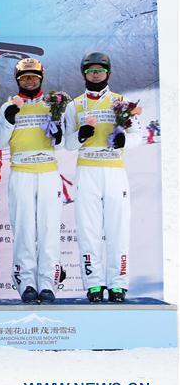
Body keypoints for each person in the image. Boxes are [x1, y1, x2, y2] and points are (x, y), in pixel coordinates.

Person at [64, 52, 139, 303]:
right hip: (87, 171)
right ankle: (94, 284)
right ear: (84, 74)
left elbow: (137, 135)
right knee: (89, 230)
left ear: (108, 73)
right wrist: (81, 136)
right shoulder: (74, 105)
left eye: (100, 70)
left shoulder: (122, 102)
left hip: (114, 171)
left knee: (118, 228)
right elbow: (68, 144)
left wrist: (124, 139)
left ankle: (118, 283)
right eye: (90, 70)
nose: (95, 74)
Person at [0, 58, 64, 304]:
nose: (30, 81)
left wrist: (59, 129)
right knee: (23, 228)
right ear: (18, 81)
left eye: (34, 77)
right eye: (25, 78)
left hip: (47, 172)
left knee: (48, 228)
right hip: (21, 172)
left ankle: (47, 283)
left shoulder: (53, 104)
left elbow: (63, 143)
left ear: (41, 79)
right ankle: (26, 283)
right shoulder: (7, 106)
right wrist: (11, 117)